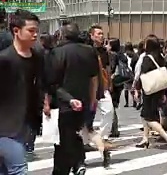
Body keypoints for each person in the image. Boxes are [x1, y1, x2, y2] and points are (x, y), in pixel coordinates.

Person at [46, 22, 101, 174]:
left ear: (63, 35)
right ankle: (77, 163)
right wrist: (92, 99)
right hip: (83, 99)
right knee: (74, 132)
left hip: (63, 101)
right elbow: (94, 77)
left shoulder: (57, 52)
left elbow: (51, 82)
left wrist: (47, 102)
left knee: (63, 138)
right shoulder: (89, 51)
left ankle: (71, 165)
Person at [0, 10, 45, 175]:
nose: (35, 35)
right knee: (19, 170)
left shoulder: (38, 57)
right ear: (16, 31)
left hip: (26, 126)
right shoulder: (4, 59)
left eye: (36, 31)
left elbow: (42, 86)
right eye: (31, 31)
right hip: (5, 127)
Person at [135, 35, 167, 148]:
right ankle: (145, 139)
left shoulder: (147, 58)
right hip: (158, 89)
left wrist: (137, 89)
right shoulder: (161, 57)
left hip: (148, 90)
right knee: (145, 114)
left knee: (149, 118)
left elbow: (142, 75)